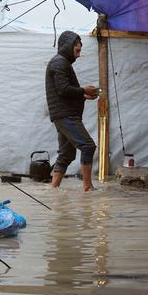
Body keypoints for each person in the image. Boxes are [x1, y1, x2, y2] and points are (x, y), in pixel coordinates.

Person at [45, 30, 100, 191]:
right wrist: (83, 90)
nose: (79, 51)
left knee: (66, 154)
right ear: (67, 45)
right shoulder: (59, 63)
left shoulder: (61, 63)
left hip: (63, 114)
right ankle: (88, 187)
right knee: (88, 146)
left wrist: (83, 94)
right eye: (77, 46)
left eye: (80, 47)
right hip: (65, 115)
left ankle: (53, 189)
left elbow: (65, 91)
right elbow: (63, 89)